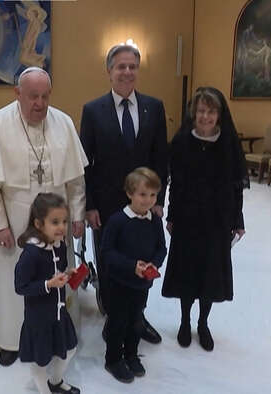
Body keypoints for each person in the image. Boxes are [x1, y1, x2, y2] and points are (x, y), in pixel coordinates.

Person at [0, 67, 88, 366]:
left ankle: (57, 333)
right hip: (13, 220)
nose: (40, 104)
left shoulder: (63, 122)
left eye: (45, 96)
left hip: (57, 223)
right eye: (33, 97)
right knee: (15, 282)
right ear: (17, 94)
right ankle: (12, 339)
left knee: (55, 277)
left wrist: (76, 216)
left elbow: (75, 180)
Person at [79, 44, 168, 344]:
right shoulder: (92, 111)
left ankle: (138, 317)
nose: (127, 72)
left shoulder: (154, 107)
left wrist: (159, 202)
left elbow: (160, 160)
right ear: (109, 71)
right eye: (121, 66)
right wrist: (89, 205)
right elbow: (85, 163)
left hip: (144, 206)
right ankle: (114, 320)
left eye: (132, 66)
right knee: (109, 264)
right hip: (106, 207)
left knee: (143, 262)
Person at [161, 87, 248, 352]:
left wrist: (238, 219)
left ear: (219, 115)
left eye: (210, 111)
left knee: (210, 274)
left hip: (218, 220)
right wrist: (172, 215)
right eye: (200, 110)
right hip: (187, 218)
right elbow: (174, 184)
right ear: (193, 112)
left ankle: (203, 323)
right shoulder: (181, 142)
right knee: (187, 271)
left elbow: (236, 187)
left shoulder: (229, 143)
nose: (205, 116)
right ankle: (185, 322)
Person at [100, 167, 166, 383]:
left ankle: (131, 354)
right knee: (118, 322)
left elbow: (161, 248)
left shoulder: (154, 221)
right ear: (129, 193)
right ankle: (113, 359)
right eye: (142, 194)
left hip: (142, 285)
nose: (148, 200)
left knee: (136, 321)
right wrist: (131, 266)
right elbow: (107, 252)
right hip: (119, 283)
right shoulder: (118, 220)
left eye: (153, 195)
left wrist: (153, 264)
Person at [15, 193, 81, 394]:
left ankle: (56, 381)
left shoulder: (60, 245)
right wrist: (48, 284)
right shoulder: (31, 253)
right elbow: (21, 287)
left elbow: (58, 271)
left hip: (59, 313)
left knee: (69, 349)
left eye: (64, 221)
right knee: (40, 359)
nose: (62, 227)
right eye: (55, 222)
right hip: (39, 318)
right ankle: (45, 391)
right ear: (38, 223)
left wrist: (68, 274)